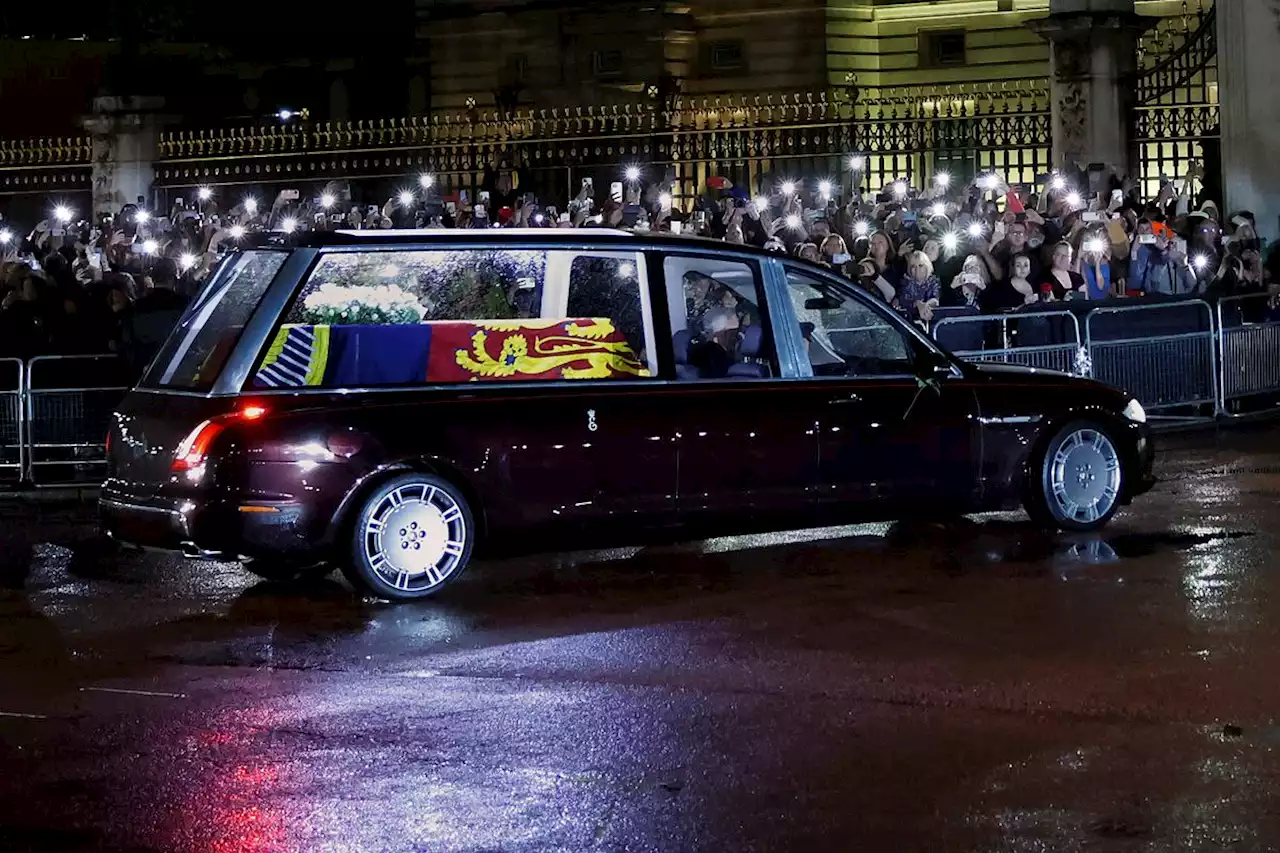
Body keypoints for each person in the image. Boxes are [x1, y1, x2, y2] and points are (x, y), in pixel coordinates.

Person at [121, 257, 189, 377]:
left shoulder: (136, 306)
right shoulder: (185, 305)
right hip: (175, 366)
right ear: (174, 278)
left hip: (142, 368)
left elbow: (126, 338)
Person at [897, 250, 940, 324]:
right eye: (913, 266)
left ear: (927, 266)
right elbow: (903, 300)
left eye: (920, 265)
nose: (917, 269)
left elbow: (935, 299)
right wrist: (917, 303)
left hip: (931, 320)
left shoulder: (934, 280)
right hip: (909, 321)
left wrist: (926, 305)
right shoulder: (905, 282)